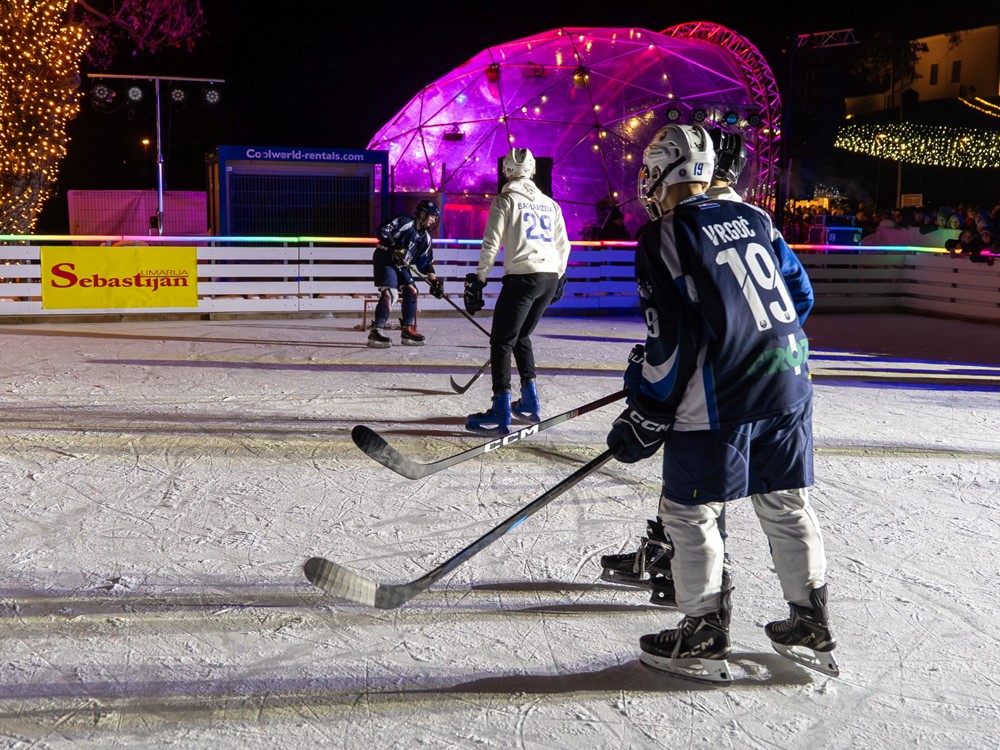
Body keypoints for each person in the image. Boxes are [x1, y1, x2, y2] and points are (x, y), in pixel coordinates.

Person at [605, 123, 835, 683]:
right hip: (788, 382)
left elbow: (673, 343)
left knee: (689, 510)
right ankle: (810, 620)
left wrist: (647, 410)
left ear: (662, 171)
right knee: (784, 502)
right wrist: (748, 335)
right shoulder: (757, 219)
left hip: (720, 398)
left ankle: (704, 633)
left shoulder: (664, 235)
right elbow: (798, 297)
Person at [463, 147, 571, 434]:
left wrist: (480, 278)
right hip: (548, 278)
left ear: (506, 171)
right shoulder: (551, 204)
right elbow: (564, 245)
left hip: (523, 278)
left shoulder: (505, 200)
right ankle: (530, 402)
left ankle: (501, 411)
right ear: (533, 170)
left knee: (501, 343)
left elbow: (491, 242)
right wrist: (559, 276)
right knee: (521, 336)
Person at [368, 199, 444, 348]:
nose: (433, 220)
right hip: (385, 258)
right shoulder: (406, 221)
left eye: (435, 217)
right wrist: (394, 246)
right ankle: (376, 330)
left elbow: (425, 262)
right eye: (432, 216)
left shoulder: (426, 239)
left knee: (412, 290)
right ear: (422, 214)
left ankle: (407, 329)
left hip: (401, 265)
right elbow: (383, 230)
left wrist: (434, 281)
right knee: (391, 293)